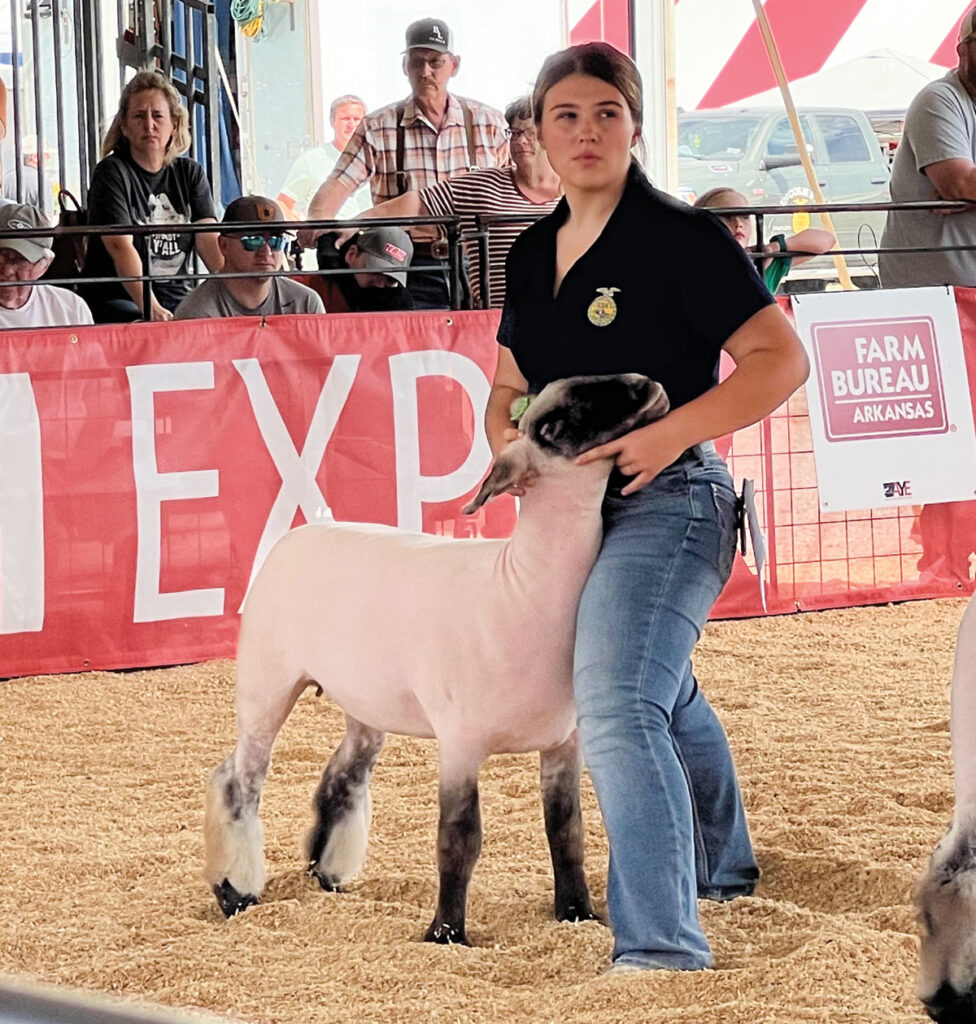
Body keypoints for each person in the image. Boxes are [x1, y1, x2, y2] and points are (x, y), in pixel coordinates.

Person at [486, 42, 808, 972]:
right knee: (656, 686)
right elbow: (506, 381)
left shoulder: (682, 239)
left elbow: (780, 360)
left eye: (605, 114)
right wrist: (508, 445)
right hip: (570, 513)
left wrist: (671, 434)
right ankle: (720, 864)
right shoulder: (529, 248)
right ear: (539, 133)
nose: (585, 133)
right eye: (565, 117)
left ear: (634, 125)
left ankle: (662, 946)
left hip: (675, 498)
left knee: (618, 700)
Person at [299, 17, 508, 307]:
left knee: (489, 343)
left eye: (435, 61)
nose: (425, 71)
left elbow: (519, 185)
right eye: (416, 61)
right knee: (415, 345)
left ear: (454, 65)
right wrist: (318, 221)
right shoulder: (379, 127)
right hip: (406, 265)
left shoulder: (489, 124)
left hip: (480, 263)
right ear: (404, 67)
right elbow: (339, 182)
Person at [334, 96, 561, 307]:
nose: (520, 140)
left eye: (530, 133)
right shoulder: (483, 185)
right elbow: (417, 203)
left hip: (566, 316)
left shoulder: (580, 190)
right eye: (514, 133)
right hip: (500, 322)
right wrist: (356, 223)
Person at [81, 70, 223, 323]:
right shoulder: (112, 172)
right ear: (124, 125)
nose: (149, 125)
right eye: (139, 116)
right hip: (119, 297)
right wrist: (149, 307)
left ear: (174, 125)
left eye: (158, 115)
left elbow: (208, 240)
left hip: (179, 297)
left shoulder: (189, 172)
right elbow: (119, 245)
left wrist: (232, 291)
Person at [880, 7, 976, 288]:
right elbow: (960, 184)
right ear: (963, 51)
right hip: (933, 293)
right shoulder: (939, 98)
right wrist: (965, 191)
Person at [174, 196, 323, 320]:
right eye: (253, 240)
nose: (266, 251)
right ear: (224, 245)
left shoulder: (306, 303)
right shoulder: (196, 314)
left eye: (276, 241)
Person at [693, 186, 835, 294]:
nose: (738, 223)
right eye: (727, 217)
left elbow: (826, 241)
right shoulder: (695, 263)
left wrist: (776, 247)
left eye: (745, 217)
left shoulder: (763, 257)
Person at [276, 94, 370, 223]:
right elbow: (283, 203)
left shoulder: (377, 159)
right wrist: (294, 220)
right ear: (332, 122)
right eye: (345, 118)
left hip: (370, 236)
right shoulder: (311, 161)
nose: (351, 124)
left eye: (357, 119)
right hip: (328, 237)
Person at [0, 202, 93, 327]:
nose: (7, 270)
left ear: (44, 265)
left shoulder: (71, 309)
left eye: (21, 260)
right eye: (1, 256)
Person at [302, 225, 414, 313]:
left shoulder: (401, 317)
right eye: (376, 271)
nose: (381, 283)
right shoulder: (306, 291)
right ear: (352, 254)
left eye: (391, 279)